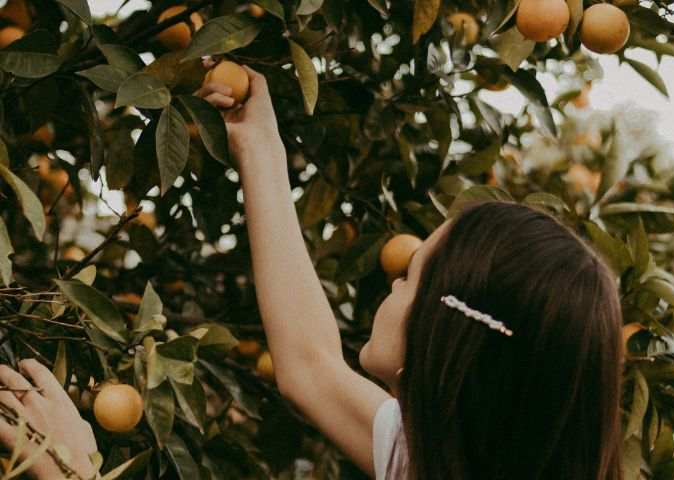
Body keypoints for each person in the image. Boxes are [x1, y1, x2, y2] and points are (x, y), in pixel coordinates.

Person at [0, 65, 624, 479]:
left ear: (447, 331)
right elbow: (308, 365)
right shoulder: (433, 457)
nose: (392, 280)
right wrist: (259, 146)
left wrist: (71, 468)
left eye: (412, 278)